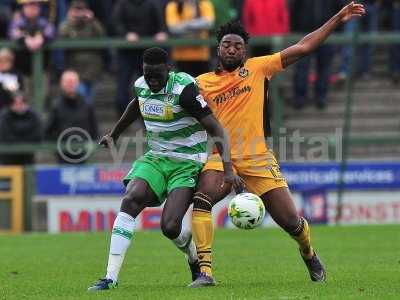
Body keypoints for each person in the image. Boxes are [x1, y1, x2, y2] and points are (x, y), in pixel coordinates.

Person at [189, 2, 365, 287]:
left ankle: (308, 252)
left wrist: (336, 18)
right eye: (226, 45)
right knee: (202, 200)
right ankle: (205, 272)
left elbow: (305, 47)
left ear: (245, 51)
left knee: (291, 222)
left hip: (259, 158)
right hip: (222, 158)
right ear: (218, 49)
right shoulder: (201, 83)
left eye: (237, 45)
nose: (231, 49)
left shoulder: (259, 68)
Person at [87, 47, 243, 291]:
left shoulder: (185, 90)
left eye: (157, 75)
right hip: (157, 158)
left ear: (169, 69)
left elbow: (217, 129)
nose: (152, 81)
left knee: (170, 226)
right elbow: (136, 105)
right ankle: (110, 278)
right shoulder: (141, 85)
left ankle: (193, 257)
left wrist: (228, 170)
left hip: (188, 162)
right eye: (148, 75)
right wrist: (114, 134)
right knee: (131, 199)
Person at [111, 0, 168, 116]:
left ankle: (148, 119)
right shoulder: (121, 4)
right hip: (126, 53)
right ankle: (122, 118)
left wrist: (161, 32)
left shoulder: (152, 4)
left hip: (146, 53)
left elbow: (161, 23)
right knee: (122, 87)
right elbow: (115, 23)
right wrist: (126, 34)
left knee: (149, 87)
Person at [45, 70, 98, 164]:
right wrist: (57, 149)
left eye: (73, 81)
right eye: (67, 81)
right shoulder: (55, 106)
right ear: (61, 84)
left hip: (84, 156)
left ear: (78, 84)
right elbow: (48, 131)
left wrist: (89, 147)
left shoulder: (87, 105)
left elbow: (94, 129)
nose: (70, 84)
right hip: (62, 156)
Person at [59, 0, 105, 103]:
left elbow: (102, 35)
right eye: (76, 10)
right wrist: (70, 20)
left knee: (89, 103)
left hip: (93, 70)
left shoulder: (92, 24)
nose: (79, 13)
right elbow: (61, 34)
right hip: (75, 71)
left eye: (81, 10)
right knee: (81, 101)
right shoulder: (67, 24)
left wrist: (92, 20)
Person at [165, 0, 215, 76]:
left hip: (202, 56)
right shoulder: (173, 5)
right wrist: (198, 26)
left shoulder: (204, 3)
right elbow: (173, 28)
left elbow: (209, 23)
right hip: (180, 56)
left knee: (203, 85)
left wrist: (184, 24)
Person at [0, 92, 42, 165]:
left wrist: (25, 142)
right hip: (8, 157)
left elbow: (38, 134)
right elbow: (5, 135)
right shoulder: (5, 115)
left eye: (21, 103)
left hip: (28, 156)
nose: (18, 106)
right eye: (16, 103)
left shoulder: (33, 115)